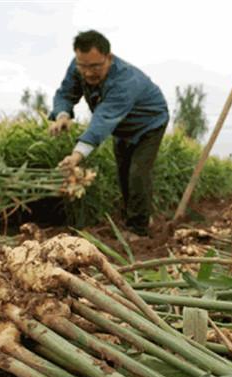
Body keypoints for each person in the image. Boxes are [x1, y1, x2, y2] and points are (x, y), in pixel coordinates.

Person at [48, 30, 169, 238]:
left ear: (109, 58)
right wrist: (62, 115)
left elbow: (103, 119)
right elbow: (66, 93)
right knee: (123, 173)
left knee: (138, 173)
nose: (87, 73)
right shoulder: (79, 66)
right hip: (121, 127)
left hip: (149, 124)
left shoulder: (126, 81)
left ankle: (139, 230)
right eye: (83, 66)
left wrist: (77, 155)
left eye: (95, 66)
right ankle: (134, 218)